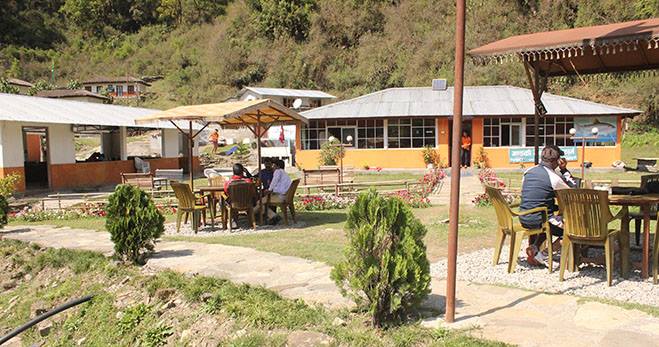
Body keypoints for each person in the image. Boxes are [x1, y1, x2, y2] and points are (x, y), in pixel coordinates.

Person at [519, 145, 578, 266]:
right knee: (572, 231)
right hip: (541, 219)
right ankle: (542, 255)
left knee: (549, 219)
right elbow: (573, 190)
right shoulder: (554, 178)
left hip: (524, 217)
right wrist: (564, 170)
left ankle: (534, 247)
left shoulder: (528, 172)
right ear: (556, 161)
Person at [260, 159, 292, 224]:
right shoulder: (284, 173)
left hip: (281, 197)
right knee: (260, 203)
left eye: (273, 165)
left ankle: (252, 215)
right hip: (285, 196)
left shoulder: (278, 171)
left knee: (259, 202)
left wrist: (268, 190)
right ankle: (273, 216)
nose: (272, 167)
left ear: (277, 166)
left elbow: (273, 183)